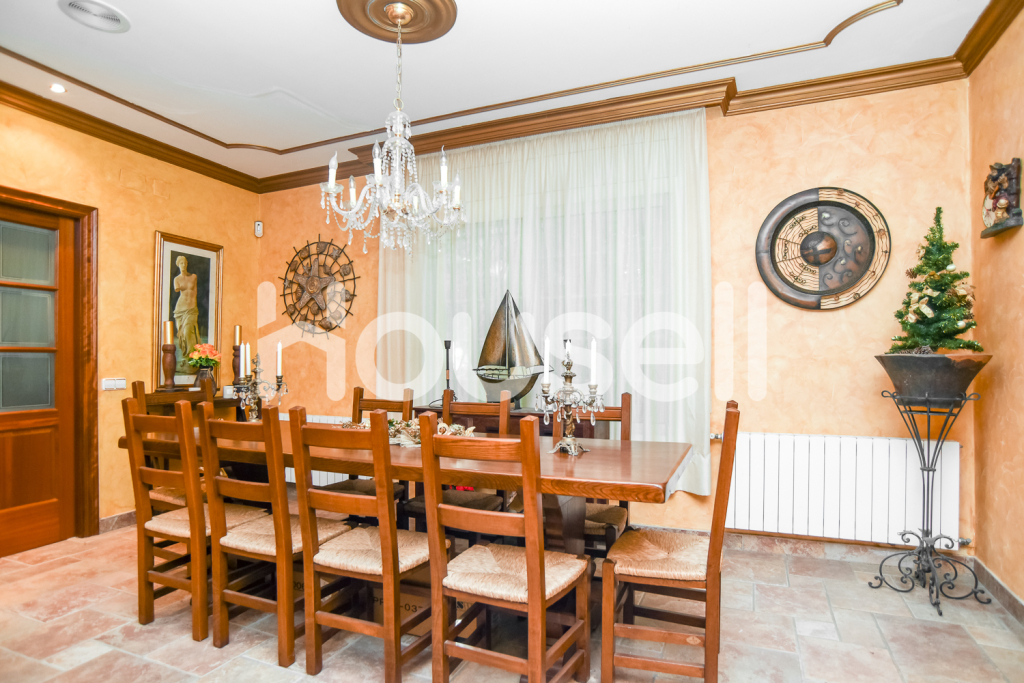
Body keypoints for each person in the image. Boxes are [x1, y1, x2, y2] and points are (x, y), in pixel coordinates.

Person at [173, 255, 201, 373]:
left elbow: (195, 292)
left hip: (192, 308)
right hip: (180, 309)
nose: (183, 265)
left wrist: (194, 307)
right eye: (181, 263)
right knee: (183, 334)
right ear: (178, 265)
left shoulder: (193, 277)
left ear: (187, 264)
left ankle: (192, 358)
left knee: (189, 332)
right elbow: (177, 289)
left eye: (185, 263)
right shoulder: (177, 279)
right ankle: (186, 359)